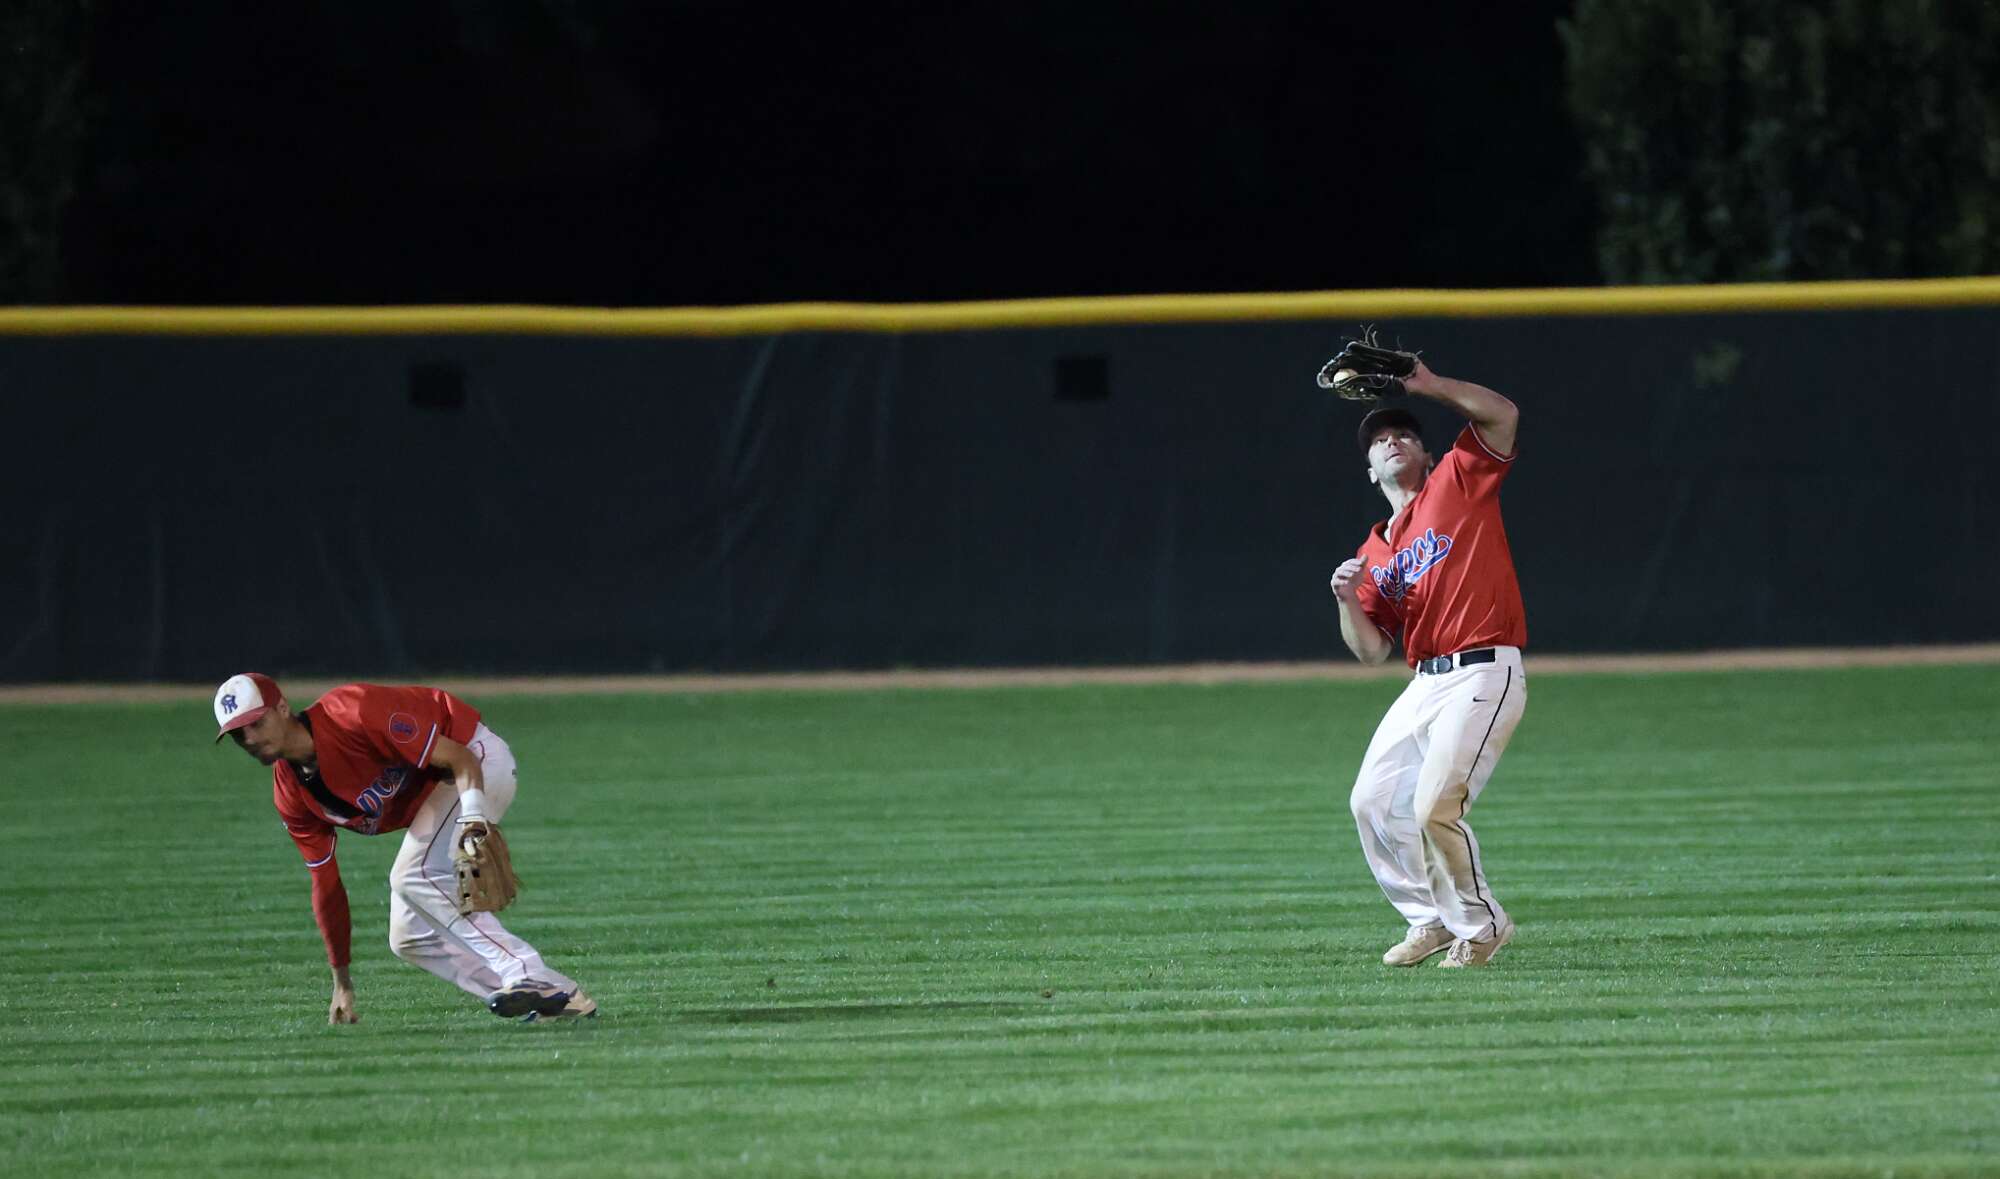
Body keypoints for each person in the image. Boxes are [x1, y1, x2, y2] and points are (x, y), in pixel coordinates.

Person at [213, 671, 596, 1021]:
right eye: (237, 734)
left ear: (282, 708)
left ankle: (523, 971)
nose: (249, 739)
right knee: (409, 937)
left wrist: (473, 820)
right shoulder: (291, 794)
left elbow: (460, 757)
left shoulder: (352, 711)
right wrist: (342, 982)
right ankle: (558, 999)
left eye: (256, 723)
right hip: (442, 792)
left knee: (412, 875)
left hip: (477, 762)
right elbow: (325, 887)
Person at [1328, 358, 1528, 968]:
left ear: (1428, 454)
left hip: (1484, 668)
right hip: (1424, 682)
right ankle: (1429, 919)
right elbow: (1371, 650)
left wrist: (1432, 386)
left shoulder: (1457, 482)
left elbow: (1504, 415)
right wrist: (1346, 600)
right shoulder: (1373, 550)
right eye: (1379, 440)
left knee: (1434, 806)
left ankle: (1483, 926)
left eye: (1404, 434)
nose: (1392, 441)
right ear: (1370, 471)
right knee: (1371, 801)